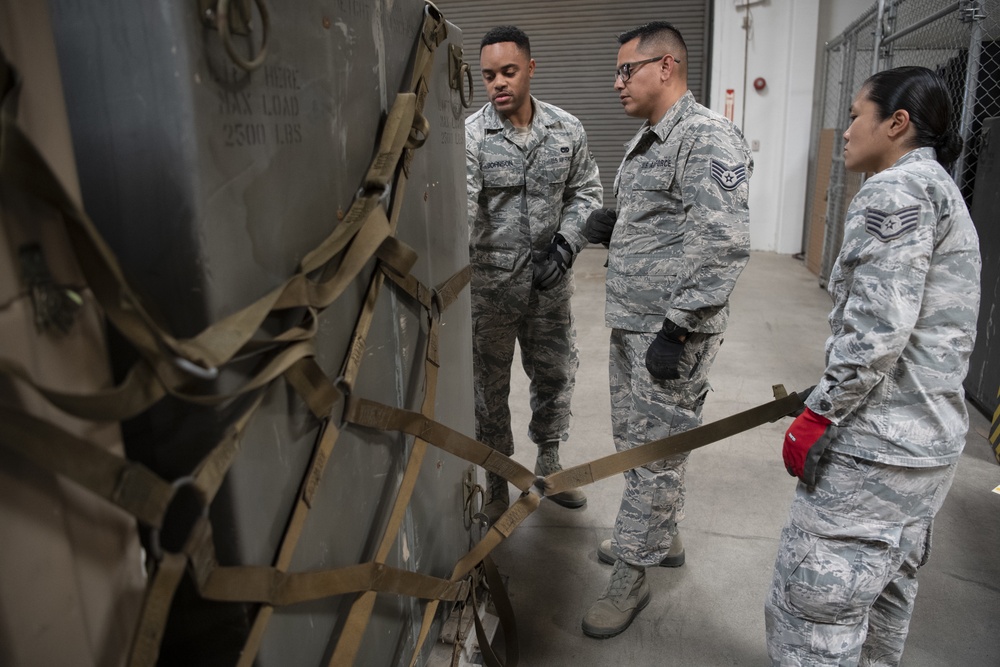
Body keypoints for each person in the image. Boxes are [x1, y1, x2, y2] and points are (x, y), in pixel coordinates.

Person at [766, 66, 981, 665]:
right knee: (882, 603)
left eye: (857, 115)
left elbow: (878, 331)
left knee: (811, 613)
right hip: (928, 446)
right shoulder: (938, 188)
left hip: (877, 452)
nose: (847, 131)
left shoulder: (894, 192)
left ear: (897, 122)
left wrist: (819, 413)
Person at [581, 21, 752, 638]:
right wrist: (614, 225)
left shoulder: (706, 138)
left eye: (627, 70)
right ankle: (661, 535)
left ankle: (631, 578)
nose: (618, 82)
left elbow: (724, 247)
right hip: (634, 323)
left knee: (654, 453)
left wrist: (677, 329)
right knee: (639, 440)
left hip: (669, 333)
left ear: (667, 67)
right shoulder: (650, 139)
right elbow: (663, 217)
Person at [465, 26, 602, 526]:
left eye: (508, 71)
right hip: (492, 291)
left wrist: (566, 247)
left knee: (554, 374)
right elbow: (461, 204)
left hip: (549, 286)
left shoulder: (567, 130)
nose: (498, 83)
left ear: (529, 69)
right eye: (488, 76)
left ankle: (549, 466)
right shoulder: (472, 135)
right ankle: (497, 483)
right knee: (488, 388)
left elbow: (586, 193)